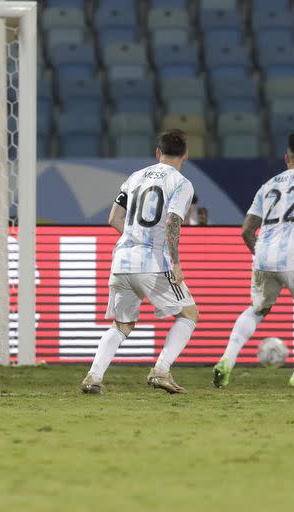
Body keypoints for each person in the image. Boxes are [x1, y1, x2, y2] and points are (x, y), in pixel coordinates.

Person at [213, 132, 294, 389]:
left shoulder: (267, 186)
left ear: (286, 157)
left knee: (257, 309)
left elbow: (246, 230)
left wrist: (259, 255)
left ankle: (226, 360)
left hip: (263, 255)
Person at [82, 129, 199, 395]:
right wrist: (176, 262)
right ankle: (160, 370)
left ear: (158, 153)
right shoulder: (182, 183)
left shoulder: (135, 177)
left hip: (121, 261)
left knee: (122, 325)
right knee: (189, 314)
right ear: (186, 155)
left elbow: (113, 218)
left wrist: (133, 237)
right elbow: (172, 221)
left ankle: (93, 376)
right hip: (153, 263)